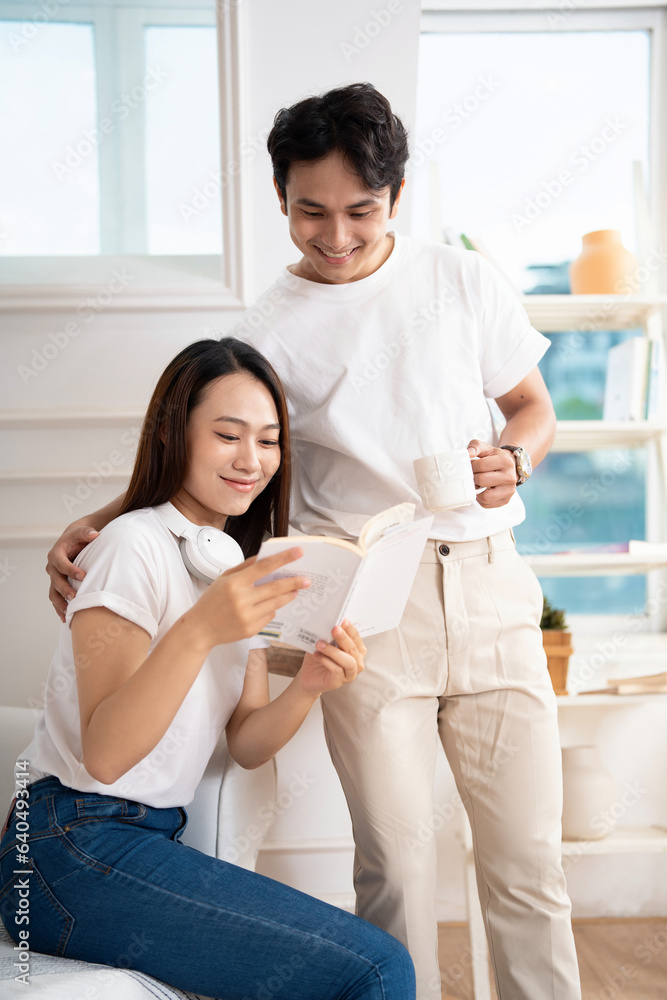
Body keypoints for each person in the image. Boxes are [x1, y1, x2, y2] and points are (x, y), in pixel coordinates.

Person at [45, 84, 582, 1000]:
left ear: (399, 196)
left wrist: (513, 461)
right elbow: (216, 444)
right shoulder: (266, 330)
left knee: (528, 865)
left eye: (360, 213)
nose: (335, 237)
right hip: (370, 614)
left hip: (492, 588)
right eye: (309, 212)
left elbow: (532, 410)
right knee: (396, 865)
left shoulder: (459, 279)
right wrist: (104, 517)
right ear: (278, 195)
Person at [1, 337, 416, 1000]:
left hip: (146, 839)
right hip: (65, 848)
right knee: (374, 968)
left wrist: (310, 684)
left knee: (368, 962)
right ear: (174, 434)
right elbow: (106, 755)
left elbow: (247, 741)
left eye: (269, 440)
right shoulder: (129, 546)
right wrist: (200, 629)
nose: (251, 460)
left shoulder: (229, 565)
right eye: (228, 435)